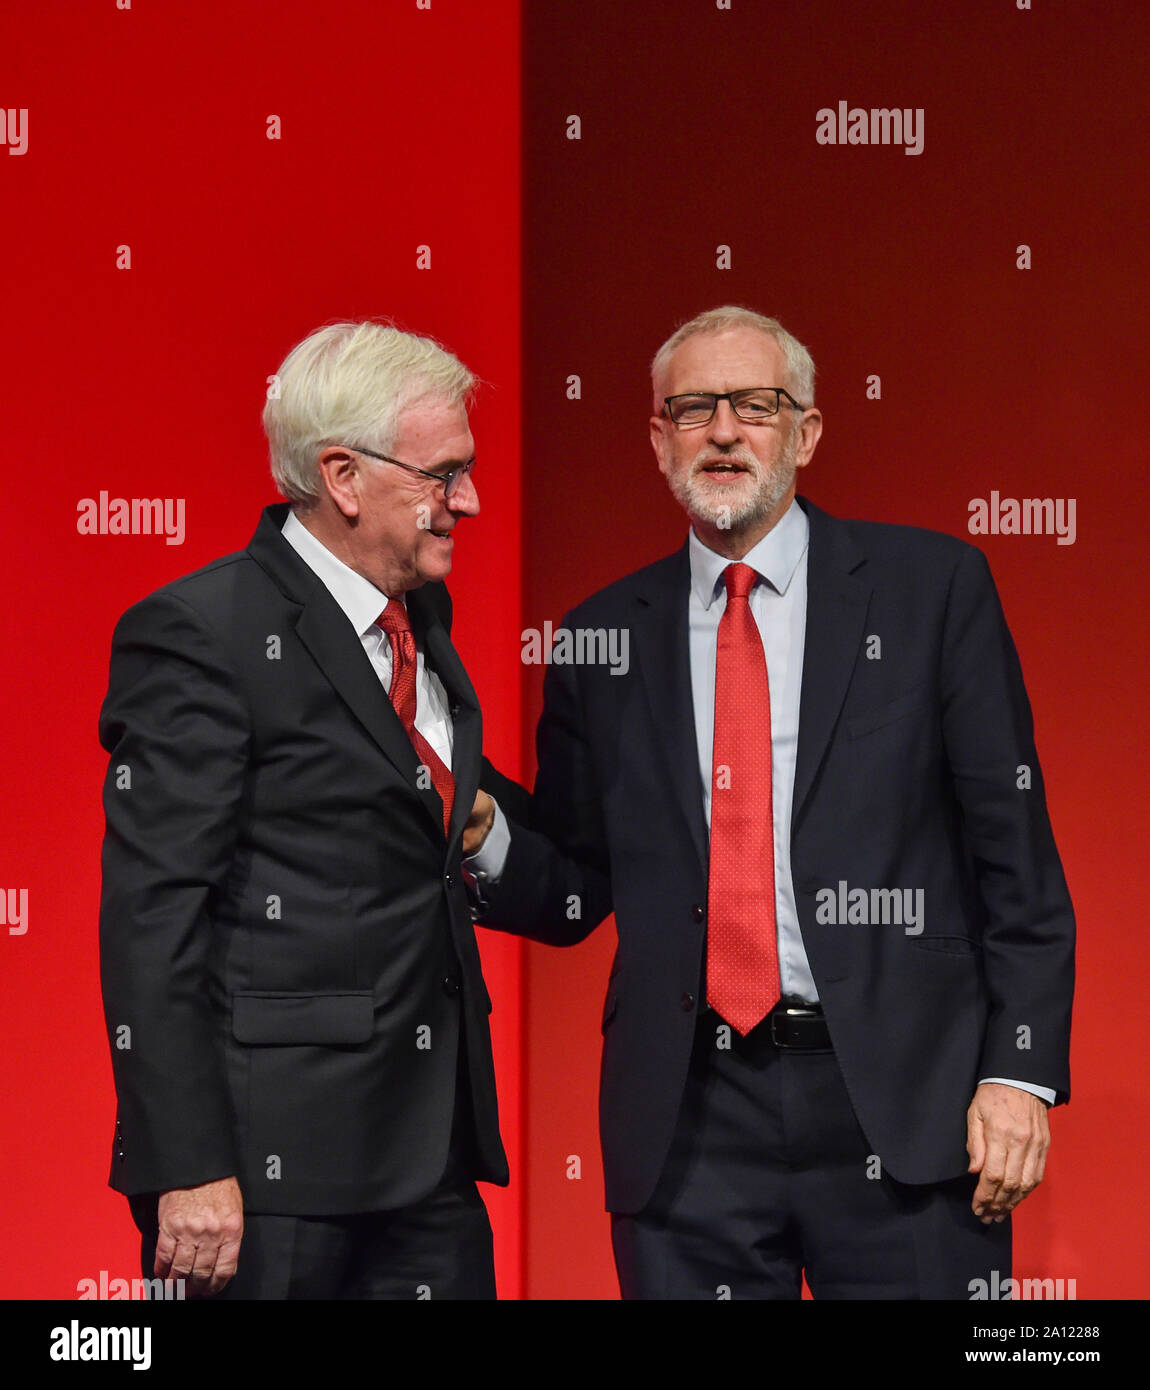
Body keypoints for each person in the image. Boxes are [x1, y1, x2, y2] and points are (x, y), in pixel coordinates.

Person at [473, 305, 1075, 1299]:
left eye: (755, 405)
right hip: (687, 1124)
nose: (722, 431)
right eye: (694, 407)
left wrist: (1017, 1073)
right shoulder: (598, 638)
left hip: (903, 1105)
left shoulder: (931, 590)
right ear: (657, 437)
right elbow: (576, 887)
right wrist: (485, 828)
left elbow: (1014, 859)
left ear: (807, 431)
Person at [99, 319, 520, 1299]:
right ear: (342, 475)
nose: (469, 500)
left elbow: (443, 822)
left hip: (432, 1163)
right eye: (443, 473)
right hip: (263, 1179)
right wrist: (188, 1165)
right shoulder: (204, 632)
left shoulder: (421, 621)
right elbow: (153, 917)